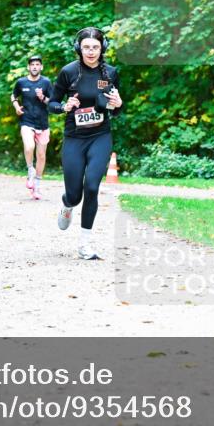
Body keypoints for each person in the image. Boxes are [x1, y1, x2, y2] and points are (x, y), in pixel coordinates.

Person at [47, 27, 124, 260]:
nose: (91, 52)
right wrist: (64, 107)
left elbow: (117, 110)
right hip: (74, 138)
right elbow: (52, 103)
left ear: (103, 49)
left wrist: (119, 104)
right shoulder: (68, 72)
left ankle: (85, 244)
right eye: (87, 47)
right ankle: (67, 204)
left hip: (100, 136)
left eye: (95, 47)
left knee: (92, 187)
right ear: (78, 48)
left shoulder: (110, 73)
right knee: (75, 194)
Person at [11, 55, 53, 200]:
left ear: (41, 67)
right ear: (28, 67)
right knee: (29, 147)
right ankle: (30, 170)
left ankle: (37, 186)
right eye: (32, 64)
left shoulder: (46, 82)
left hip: (43, 123)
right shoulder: (21, 82)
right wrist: (17, 107)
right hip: (26, 121)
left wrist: (43, 98)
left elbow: (52, 102)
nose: (35, 67)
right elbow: (13, 96)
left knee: (41, 156)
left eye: (37, 64)